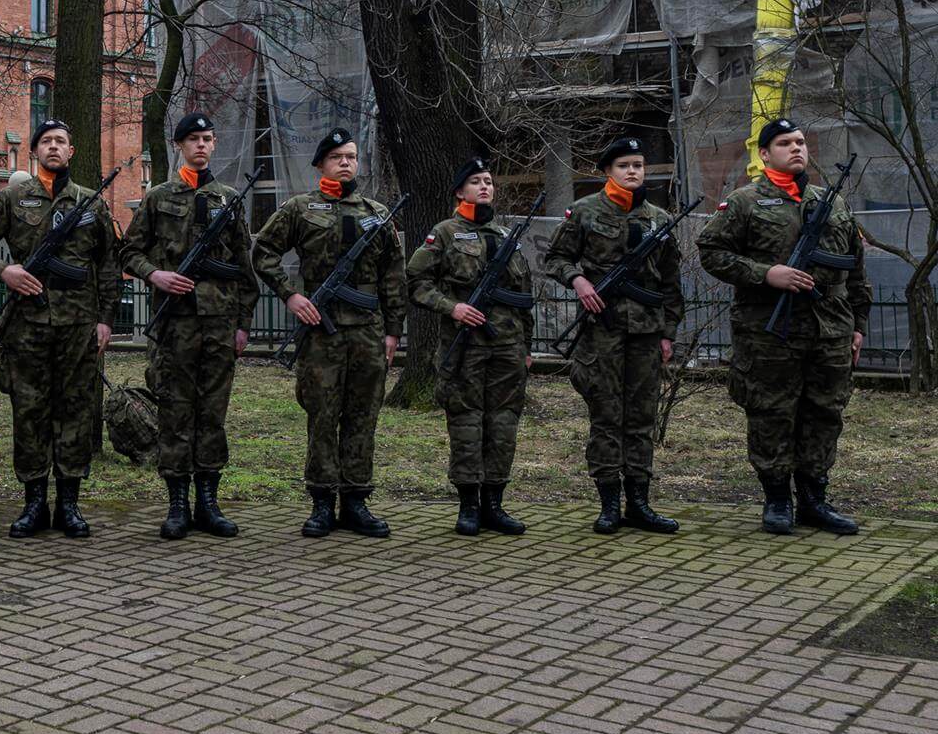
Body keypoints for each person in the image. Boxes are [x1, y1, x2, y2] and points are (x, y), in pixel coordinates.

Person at [697, 118, 871, 536]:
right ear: (764, 153)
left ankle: (814, 499)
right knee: (772, 413)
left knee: (824, 413)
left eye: (800, 142)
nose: (796, 149)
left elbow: (856, 272)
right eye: (784, 143)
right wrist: (765, 273)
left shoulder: (831, 203)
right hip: (769, 332)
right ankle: (777, 499)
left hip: (830, 330)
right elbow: (711, 252)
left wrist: (858, 325)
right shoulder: (745, 202)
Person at [0, 118, 122, 538]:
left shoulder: (92, 203)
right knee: (29, 411)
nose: (53, 147)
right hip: (27, 325)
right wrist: (4, 269)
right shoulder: (13, 198)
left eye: (61, 142)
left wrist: (106, 319)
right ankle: (34, 503)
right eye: (46, 141)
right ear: (35, 152)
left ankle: (69, 503)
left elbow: (107, 264)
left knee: (75, 410)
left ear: (72, 152)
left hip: (78, 326)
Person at [253, 127, 406, 539]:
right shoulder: (299, 209)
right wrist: (289, 296)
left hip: (368, 333)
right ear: (320, 163)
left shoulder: (377, 213)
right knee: (322, 416)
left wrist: (393, 331)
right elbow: (263, 253)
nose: (346, 163)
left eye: (352, 157)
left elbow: (394, 275)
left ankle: (356, 500)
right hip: (321, 332)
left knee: (363, 415)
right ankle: (322, 501)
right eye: (337, 156)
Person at [121, 113, 258, 540]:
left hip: (219, 325)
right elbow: (128, 251)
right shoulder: (158, 197)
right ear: (180, 145)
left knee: (212, 414)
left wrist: (243, 325)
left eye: (209, 139)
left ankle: (209, 502)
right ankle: (178, 503)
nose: (202, 145)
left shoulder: (230, 199)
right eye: (194, 139)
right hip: (175, 324)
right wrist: (154, 275)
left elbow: (243, 266)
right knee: (176, 412)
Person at [544, 136, 685, 536]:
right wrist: (579, 281)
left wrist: (668, 332)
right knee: (607, 417)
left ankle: (639, 503)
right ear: (608, 171)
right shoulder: (586, 212)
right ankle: (608, 505)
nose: (633, 171)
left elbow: (671, 282)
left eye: (638, 165)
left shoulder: (658, 218)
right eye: (624, 165)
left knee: (641, 418)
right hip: (601, 331)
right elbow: (555, 259)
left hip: (646, 333)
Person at [406, 158, 536, 537]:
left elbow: (523, 295)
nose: (485, 187)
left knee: (503, 424)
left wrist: (526, 345)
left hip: (508, 347)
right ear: (459, 191)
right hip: (465, 348)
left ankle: (495, 503)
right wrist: (453, 307)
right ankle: (468, 505)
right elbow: (415, 281)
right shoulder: (445, 233)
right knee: (466, 424)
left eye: (489, 181)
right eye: (476, 182)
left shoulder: (505, 234)